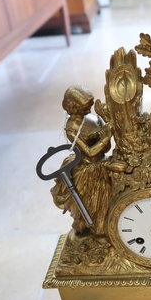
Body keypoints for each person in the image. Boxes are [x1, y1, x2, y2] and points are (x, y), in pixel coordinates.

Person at [51, 85, 112, 236]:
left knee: (108, 200)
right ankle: (92, 229)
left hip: (102, 163)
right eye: (84, 107)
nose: (88, 110)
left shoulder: (93, 118)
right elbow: (90, 152)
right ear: (72, 107)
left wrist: (106, 131)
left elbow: (105, 148)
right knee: (92, 203)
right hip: (88, 169)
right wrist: (105, 137)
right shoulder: (72, 127)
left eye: (89, 106)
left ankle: (106, 226)